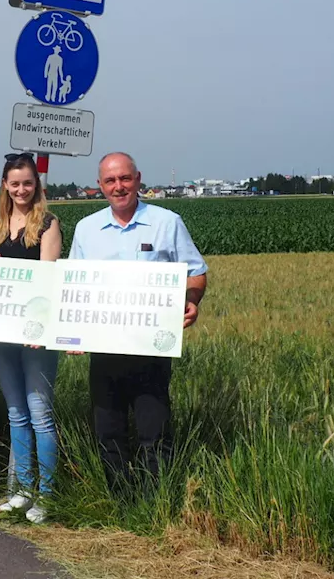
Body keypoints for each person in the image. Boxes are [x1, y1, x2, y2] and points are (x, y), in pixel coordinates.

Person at [67, 152, 208, 487]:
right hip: (105, 348)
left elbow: (196, 272)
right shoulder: (87, 230)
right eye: (111, 181)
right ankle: (119, 501)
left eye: (125, 178)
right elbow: (74, 286)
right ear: (100, 186)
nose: (119, 187)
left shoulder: (166, 222)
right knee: (108, 430)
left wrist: (191, 300)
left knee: (154, 430)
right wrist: (71, 333)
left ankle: (155, 502)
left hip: (151, 347)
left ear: (138, 179)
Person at [0, 153, 62, 523]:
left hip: (36, 336)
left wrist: (43, 327)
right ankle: (20, 490)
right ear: (5, 185)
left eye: (28, 183)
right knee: (16, 413)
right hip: (3, 334)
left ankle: (47, 495)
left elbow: (49, 281)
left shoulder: (48, 224)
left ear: (37, 186)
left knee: (39, 415)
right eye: (15, 183)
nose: (21, 189)